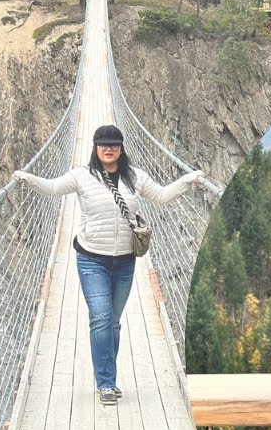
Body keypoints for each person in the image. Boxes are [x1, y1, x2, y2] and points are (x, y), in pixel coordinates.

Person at [14, 124, 202, 405]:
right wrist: (27, 178)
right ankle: (106, 383)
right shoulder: (82, 176)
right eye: (103, 144)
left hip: (125, 262)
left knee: (112, 323)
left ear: (121, 148)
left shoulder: (135, 177)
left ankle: (106, 375)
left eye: (114, 144)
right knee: (101, 317)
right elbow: (53, 188)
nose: (109, 149)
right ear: (95, 148)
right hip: (91, 258)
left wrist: (187, 181)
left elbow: (162, 196)